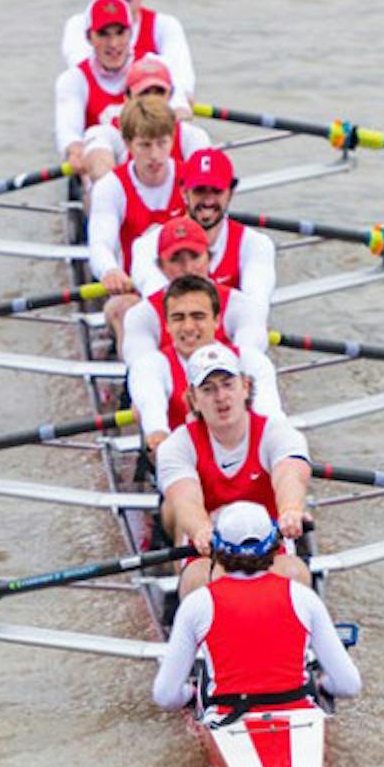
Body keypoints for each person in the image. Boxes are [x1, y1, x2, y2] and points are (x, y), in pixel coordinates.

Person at [150, 501, 361, 714]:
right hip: (300, 714)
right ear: (273, 547)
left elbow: (165, 697)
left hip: (226, 717)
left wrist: (191, 694)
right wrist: (321, 685)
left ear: (218, 548)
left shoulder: (197, 603)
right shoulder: (303, 597)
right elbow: (349, 686)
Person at [156, 344, 313, 599]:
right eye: (208, 389)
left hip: (269, 547)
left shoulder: (277, 433)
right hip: (209, 552)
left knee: (295, 574)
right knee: (199, 581)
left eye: (228, 385)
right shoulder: (177, 445)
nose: (221, 397)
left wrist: (291, 510)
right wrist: (200, 530)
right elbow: (185, 500)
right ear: (193, 399)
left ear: (245, 387)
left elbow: (290, 475)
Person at [124, 269, 285, 453]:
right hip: (182, 460)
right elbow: (153, 413)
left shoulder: (251, 361)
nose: (188, 327)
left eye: (198, 316)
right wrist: (156, 432)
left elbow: (271, 416)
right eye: (178, 318)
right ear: (167, 325)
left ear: (217, 321)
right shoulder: (150, 365)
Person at [130, 148, 277, 315]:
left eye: (216, 191)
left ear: (230, 193)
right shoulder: (147, 245)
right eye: (199, 190)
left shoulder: (256, 244)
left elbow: (256, 307)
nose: (208, 201)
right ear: (183, 192)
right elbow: (157, 301)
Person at [118, 217, 270, 369]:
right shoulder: (142, 315)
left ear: (210, 258)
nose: (188, 268)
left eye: (195, 256)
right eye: (176, 259)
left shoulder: (241, 307)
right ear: (160, 266)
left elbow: (249, 366)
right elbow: (142, 371)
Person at [87, 96, 185, 331]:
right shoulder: (111, 186)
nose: (155, 155)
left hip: (187, 290)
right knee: (123, 311)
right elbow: (100, 244)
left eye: (162, 143)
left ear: (172, 139)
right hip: (133, 290)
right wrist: (110, 270)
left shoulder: (191, 181)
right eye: (145, 145)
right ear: (128, 143)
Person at [59, 0, 195, 111]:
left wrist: (180, 103)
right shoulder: (78, 24)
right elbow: (84, 66)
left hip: (150, 115)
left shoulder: (165, 25)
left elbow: (182, 80)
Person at [79, 58, 211, 180]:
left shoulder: (192, 136)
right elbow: (99, 164)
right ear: (127, 97)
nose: (153, 100)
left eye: (159, 92)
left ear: (170, 96)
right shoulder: (106, 133)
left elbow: (204, 179)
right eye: (145, 92)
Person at [54, 0, 135, 179]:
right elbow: (69, 133)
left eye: (120, 33)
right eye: (103, 34)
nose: (113, 43)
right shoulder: (73, 79)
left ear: (131, 33)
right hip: (96, 164)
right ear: (88, 37)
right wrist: (74, 150)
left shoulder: (152, 69)